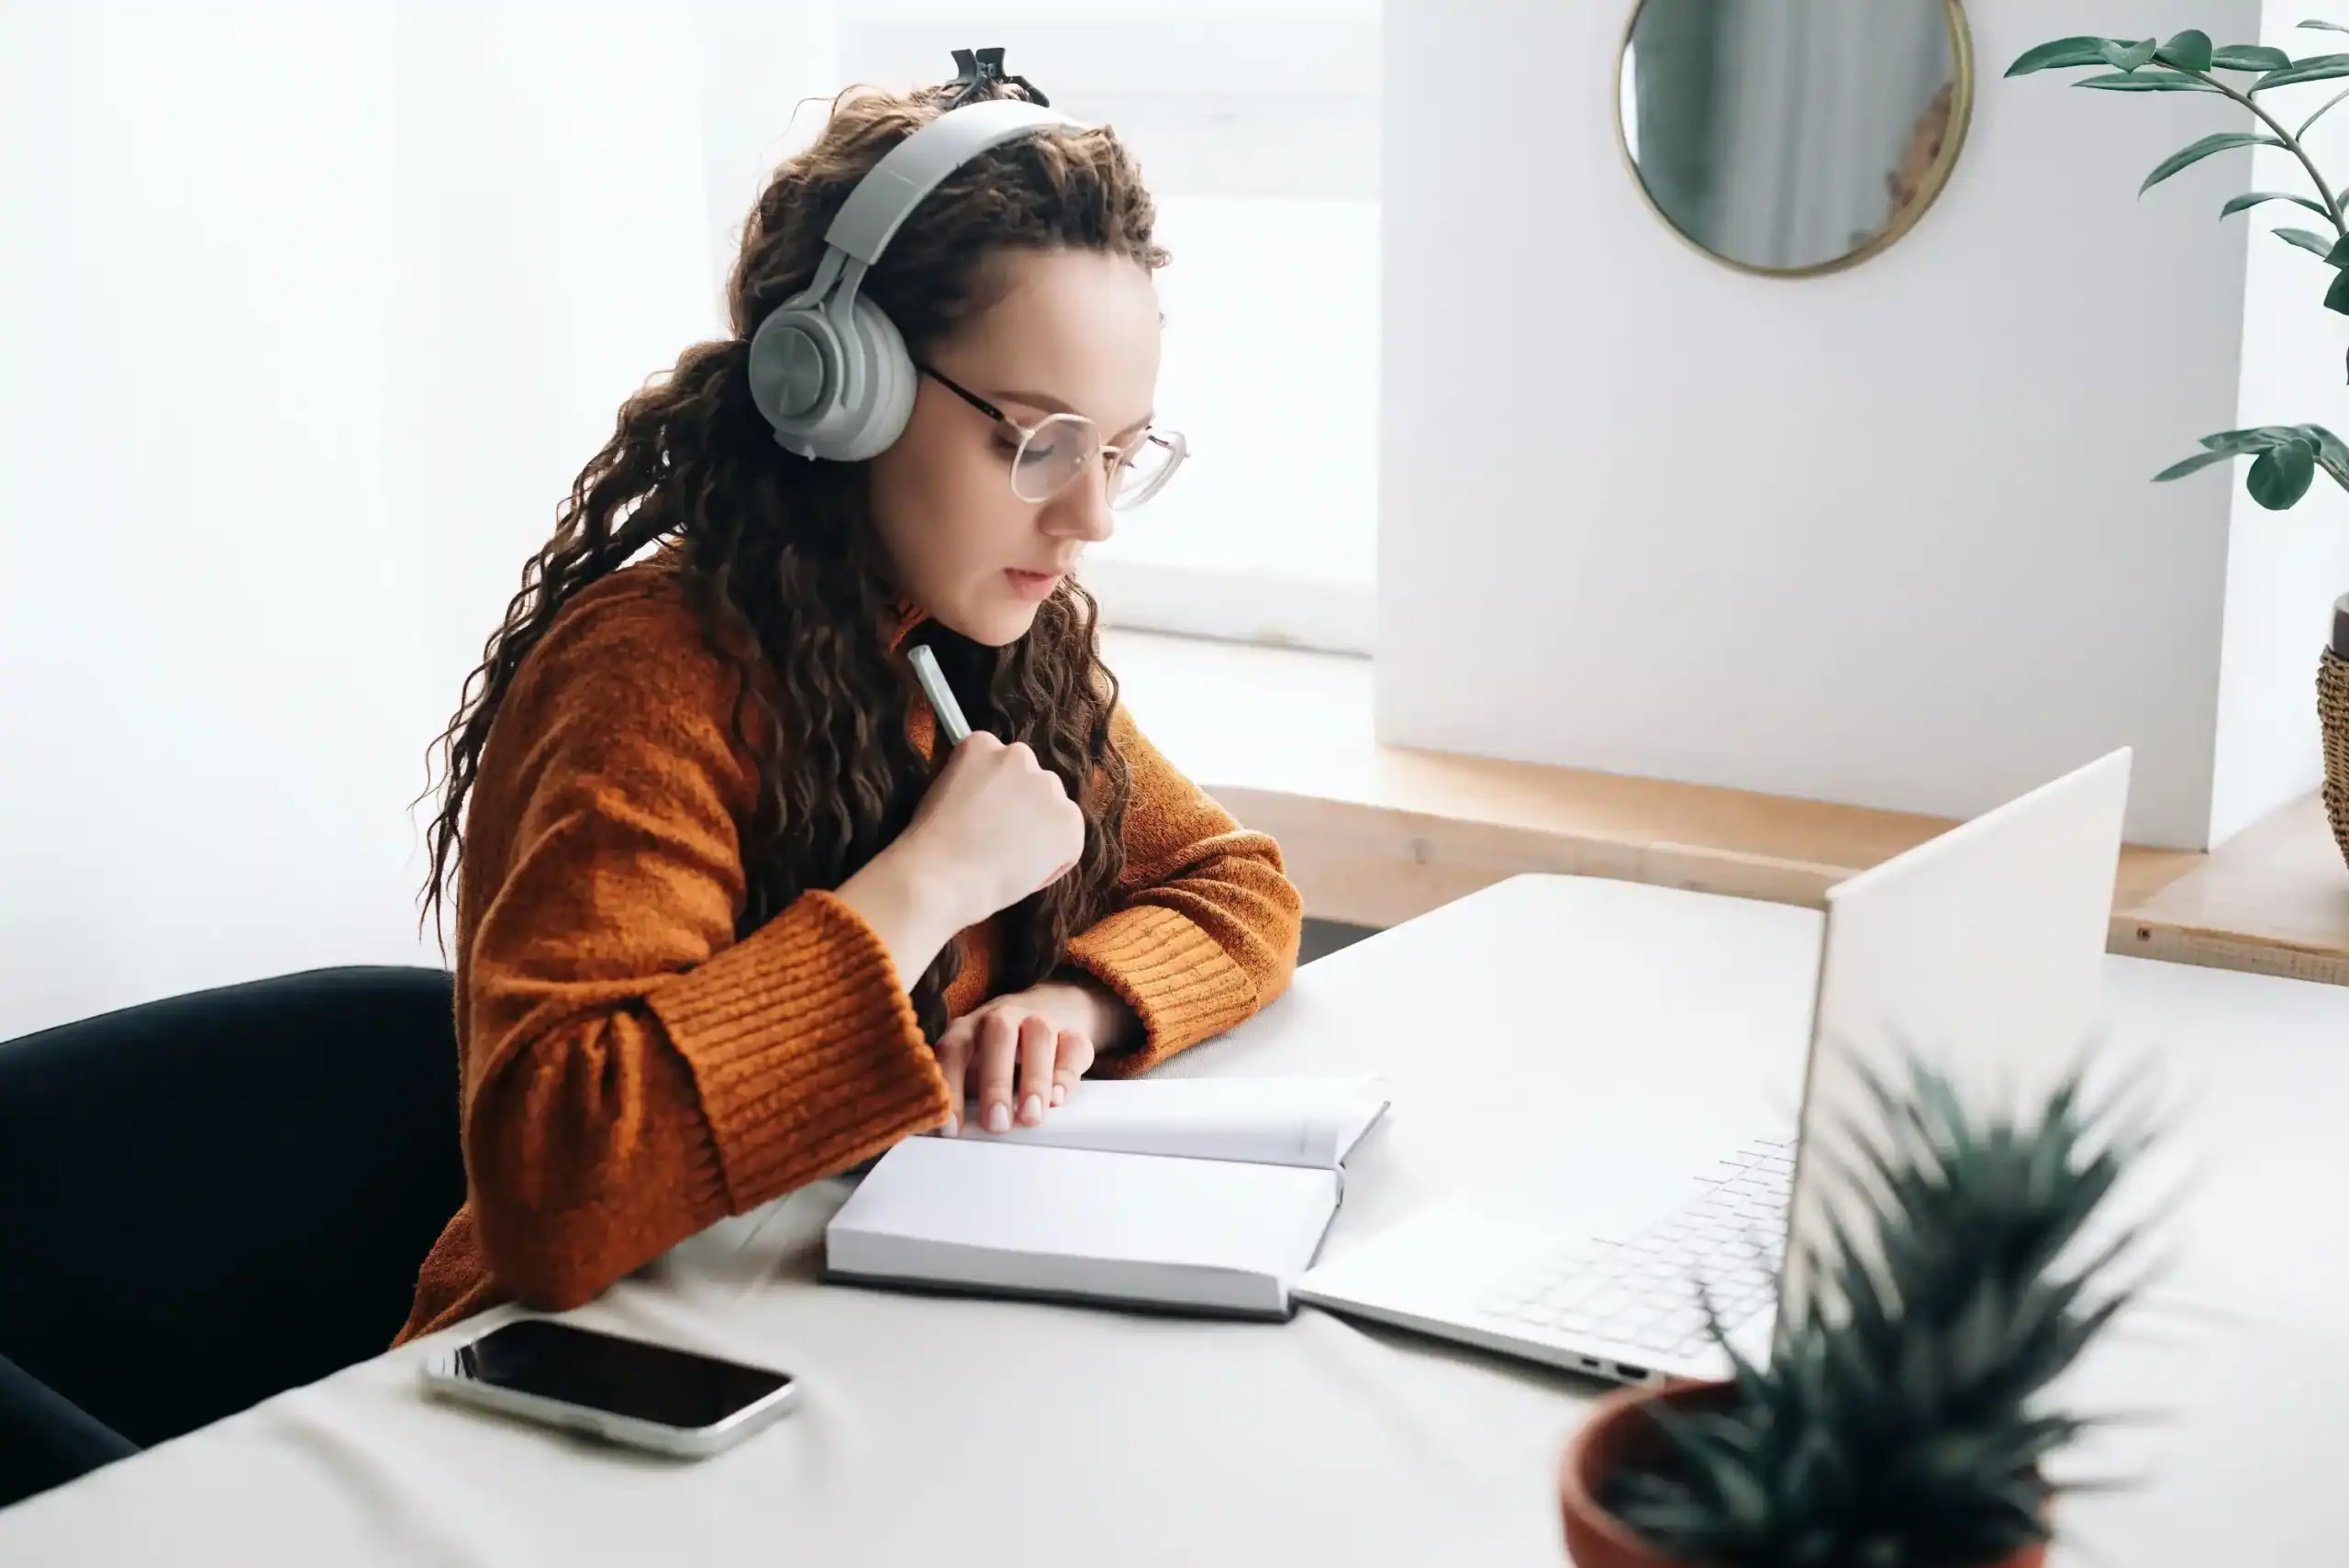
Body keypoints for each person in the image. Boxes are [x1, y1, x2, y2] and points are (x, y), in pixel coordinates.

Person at [392, 66, 1303, 1343]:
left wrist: (1073, 1007)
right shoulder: (651, 679)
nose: (1089, 515)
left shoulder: (986, 637)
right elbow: (554, 1190)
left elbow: (1234, 888)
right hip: (574, 1387)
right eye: (1037, 444)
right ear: (840, 388)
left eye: (1119, 452)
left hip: (836, 1335)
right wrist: (922, 888)